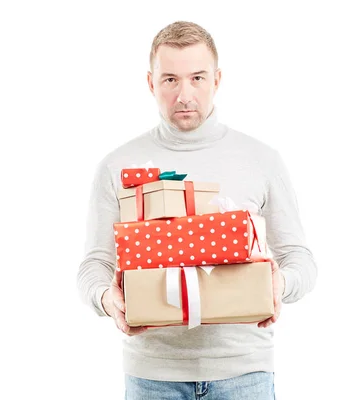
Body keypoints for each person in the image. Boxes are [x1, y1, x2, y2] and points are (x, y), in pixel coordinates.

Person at [77, 20, 317, 399]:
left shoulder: (262, 160)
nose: (184, 94)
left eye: (198, 78)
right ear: (150, 83)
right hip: (152, 376)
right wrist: (109, 300)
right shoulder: (117, 165)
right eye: (170, 79)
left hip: (244, 372)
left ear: (217, 80)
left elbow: (300, 259)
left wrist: (278, 284)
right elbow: (94, 265)